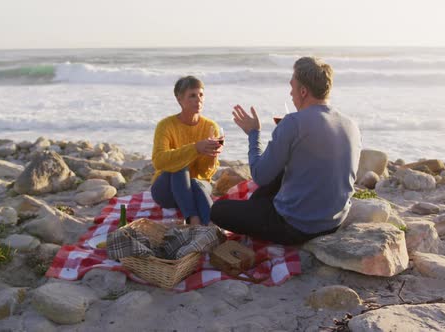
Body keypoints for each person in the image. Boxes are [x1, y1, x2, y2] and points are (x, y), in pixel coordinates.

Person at [210, 57, 361, 245]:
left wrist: (253, 134)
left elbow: (259, 176)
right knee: (279, 173)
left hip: (297, 227)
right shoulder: (351, 124)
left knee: (218, 210)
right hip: (334, 221)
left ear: (303, 91)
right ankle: (257, 208)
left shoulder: (293, 122)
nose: (290, 93)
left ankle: (257, 212)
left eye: (292, 86)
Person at [151, 76, 223, 226]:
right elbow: (159, 161)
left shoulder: (211, 127)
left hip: (196, 185)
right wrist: (195, 148)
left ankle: (212, 227)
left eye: (201, 95)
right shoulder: (165, 125)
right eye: (192, 95)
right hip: (167, 190)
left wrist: (212, 156)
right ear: (179, 99)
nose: (198, 100)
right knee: (179, 165)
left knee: (197, 183)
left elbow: (206, 173)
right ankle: (193, 219)